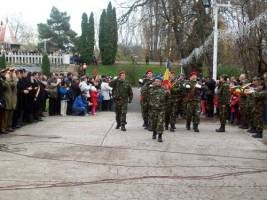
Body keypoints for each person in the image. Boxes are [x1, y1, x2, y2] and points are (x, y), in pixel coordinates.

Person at [148, 76, 169, 142]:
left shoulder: (165, 90)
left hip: (161, 110)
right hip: (153, 109)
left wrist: (166, 107)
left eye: (158, 81)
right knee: (154, 123)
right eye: (155, 81)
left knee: (160, 123)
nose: (156, 82)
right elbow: (144, 93)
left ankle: (160, 136)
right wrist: (148, 82)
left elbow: (169, 99)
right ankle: (154, 133)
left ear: (161, 82)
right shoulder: (151, 89)